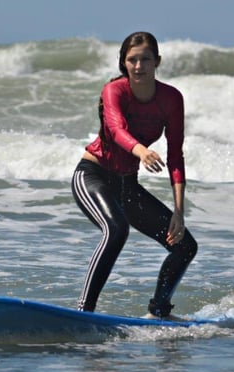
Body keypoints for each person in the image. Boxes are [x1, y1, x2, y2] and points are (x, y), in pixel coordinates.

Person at [70, 31, 197, 320]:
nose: (139, 66)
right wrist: (141, 151)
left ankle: (160, 311)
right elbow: (116, 130)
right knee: (116, 230)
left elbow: (176, 154)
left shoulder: (171, 99)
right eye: (132, 60)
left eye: (145, 59)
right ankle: (83, 312)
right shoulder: (114, 91)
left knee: (184, 246)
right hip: (93, 175)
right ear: (124, 63)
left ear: (157, 62)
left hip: (127, 185)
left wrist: (179, 210)